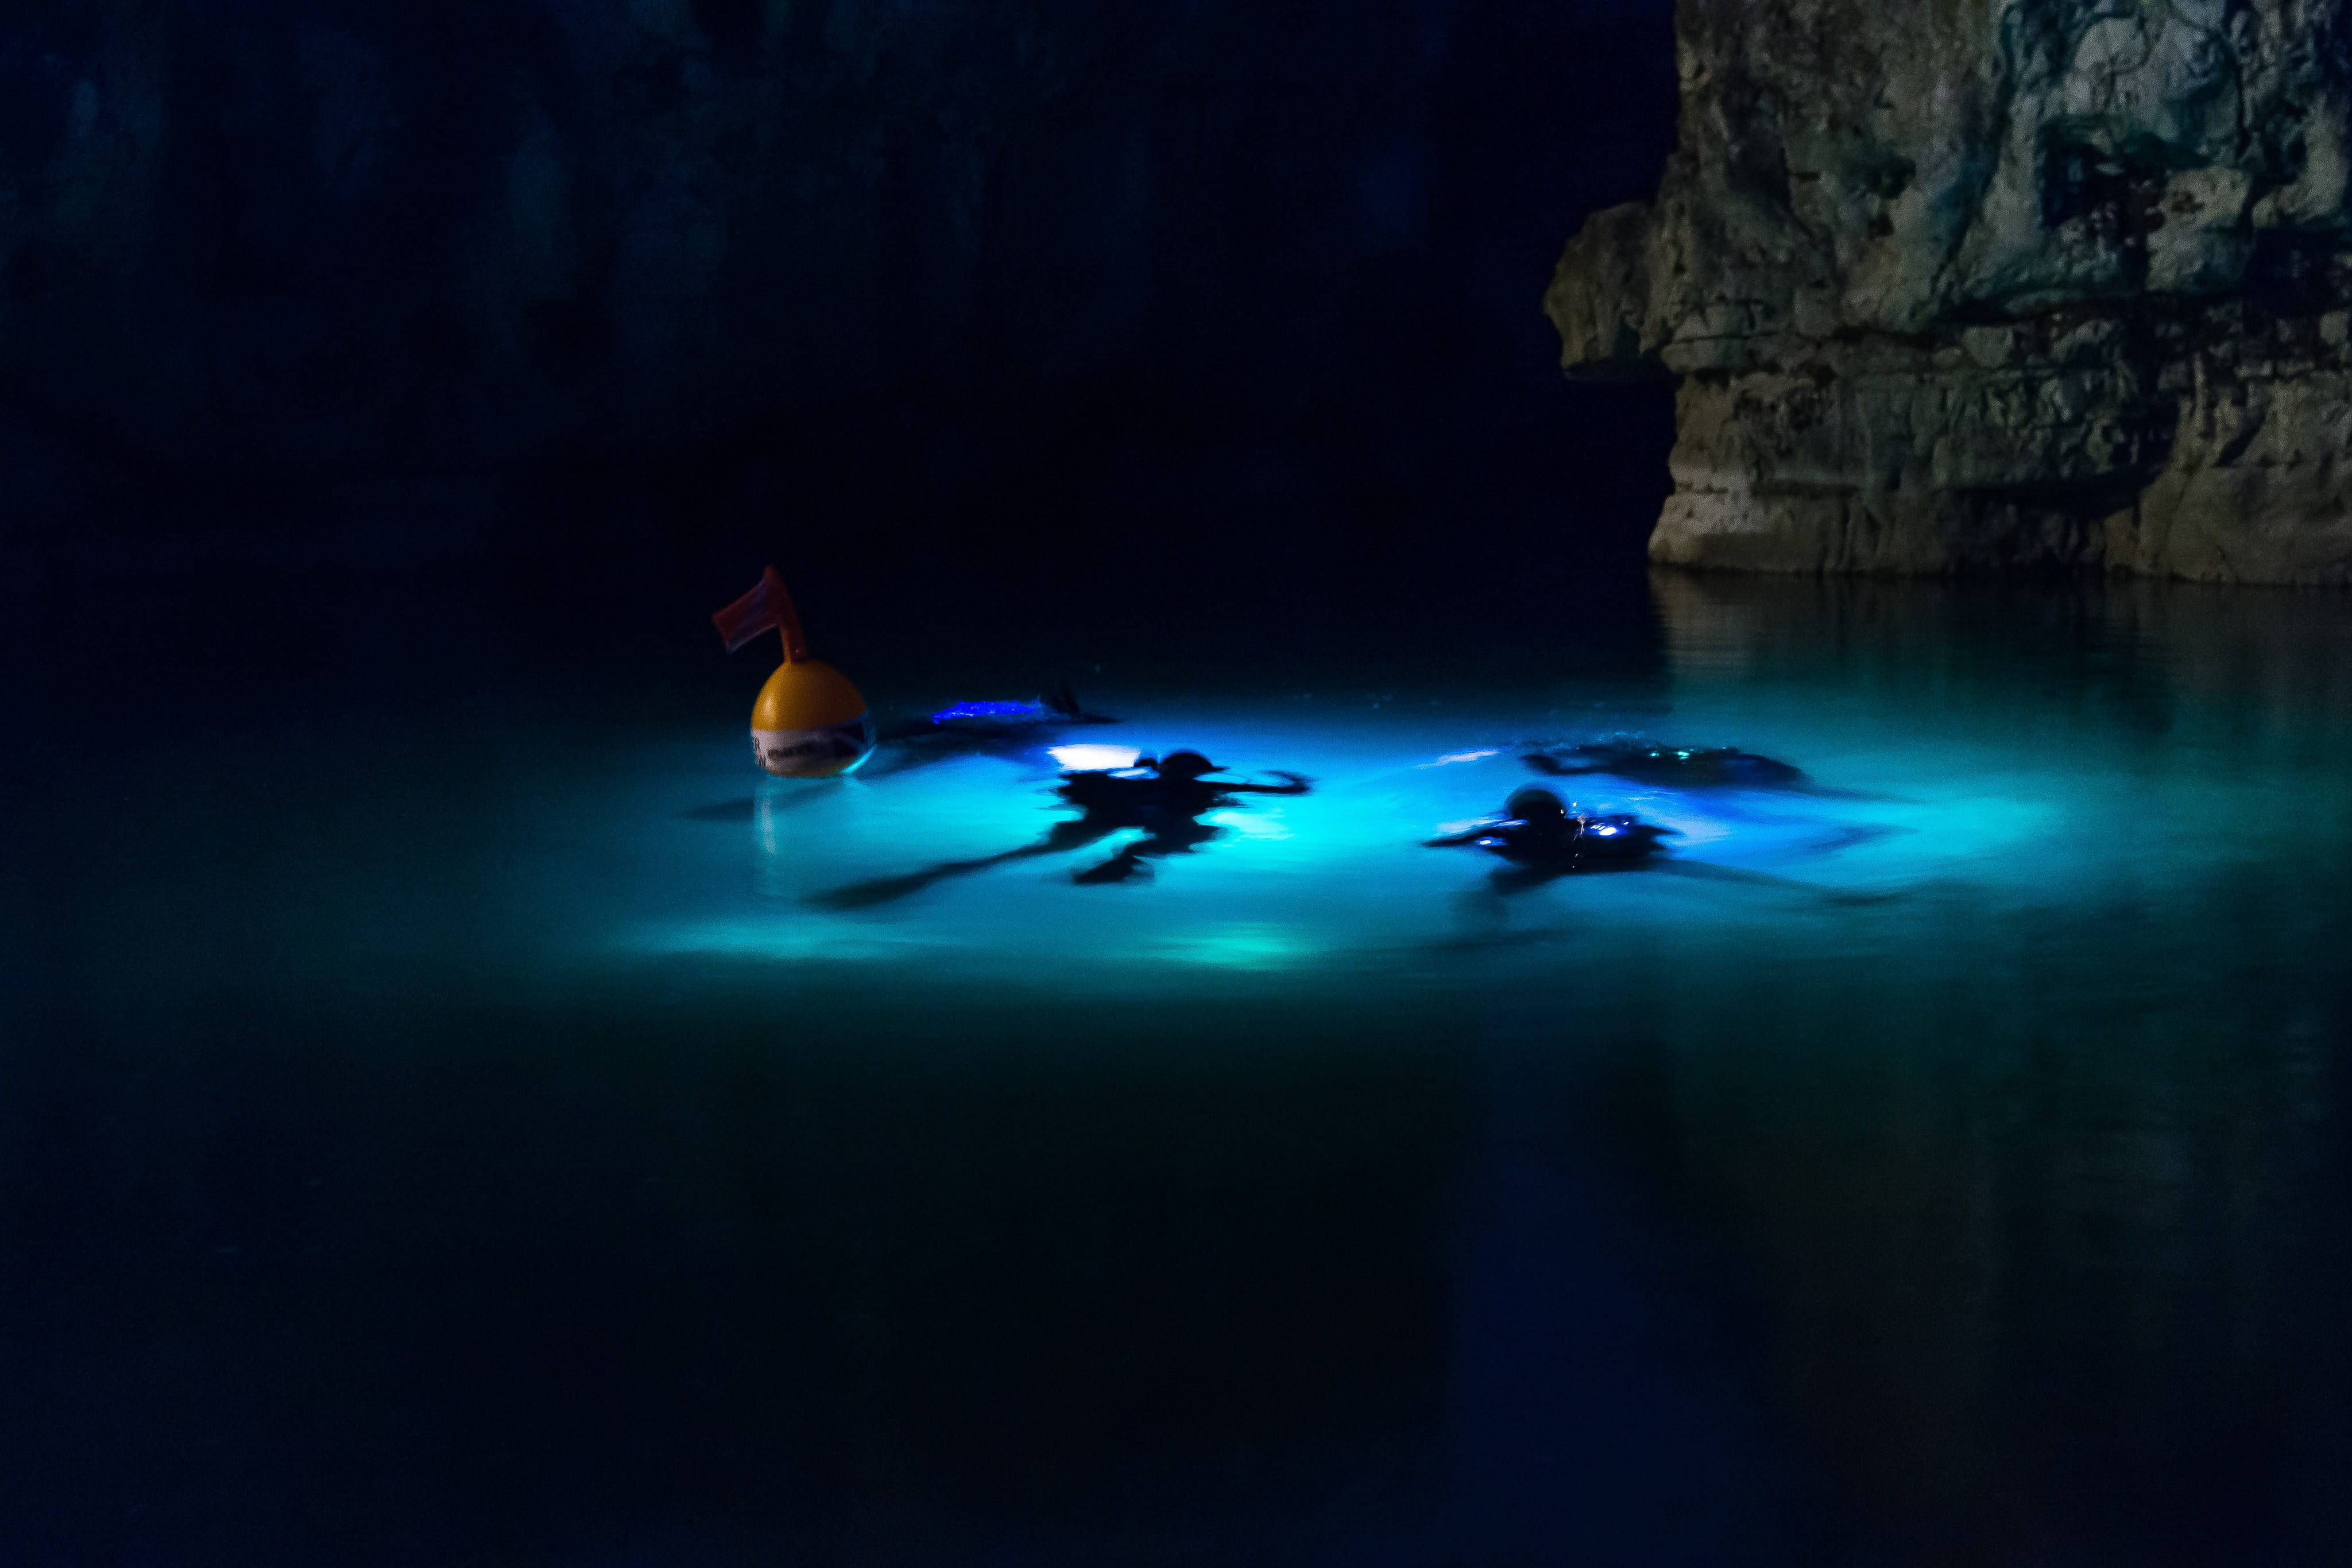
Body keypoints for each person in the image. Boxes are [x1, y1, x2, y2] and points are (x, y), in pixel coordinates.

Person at [811, 750, 1311, 907]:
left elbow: (1077, 782)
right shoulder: (1202, 787)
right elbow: (1284, 792)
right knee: (1171, 839)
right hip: (1140, 820)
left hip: (1111, 813)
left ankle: (1122, 863)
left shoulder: (1142, 779)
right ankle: (1125, 864)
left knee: (1025, 853)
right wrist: (1289, 778)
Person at [1425, 786, 1673, 893]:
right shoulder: (1515, 836)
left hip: (1559, 858)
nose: (1542, 820)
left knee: (1501, 883)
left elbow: (1474, 837)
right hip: (1556, 859)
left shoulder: (1516, 836)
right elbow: (1475, 836)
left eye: (1546, 815)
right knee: (1501, 883)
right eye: (1537, 815)